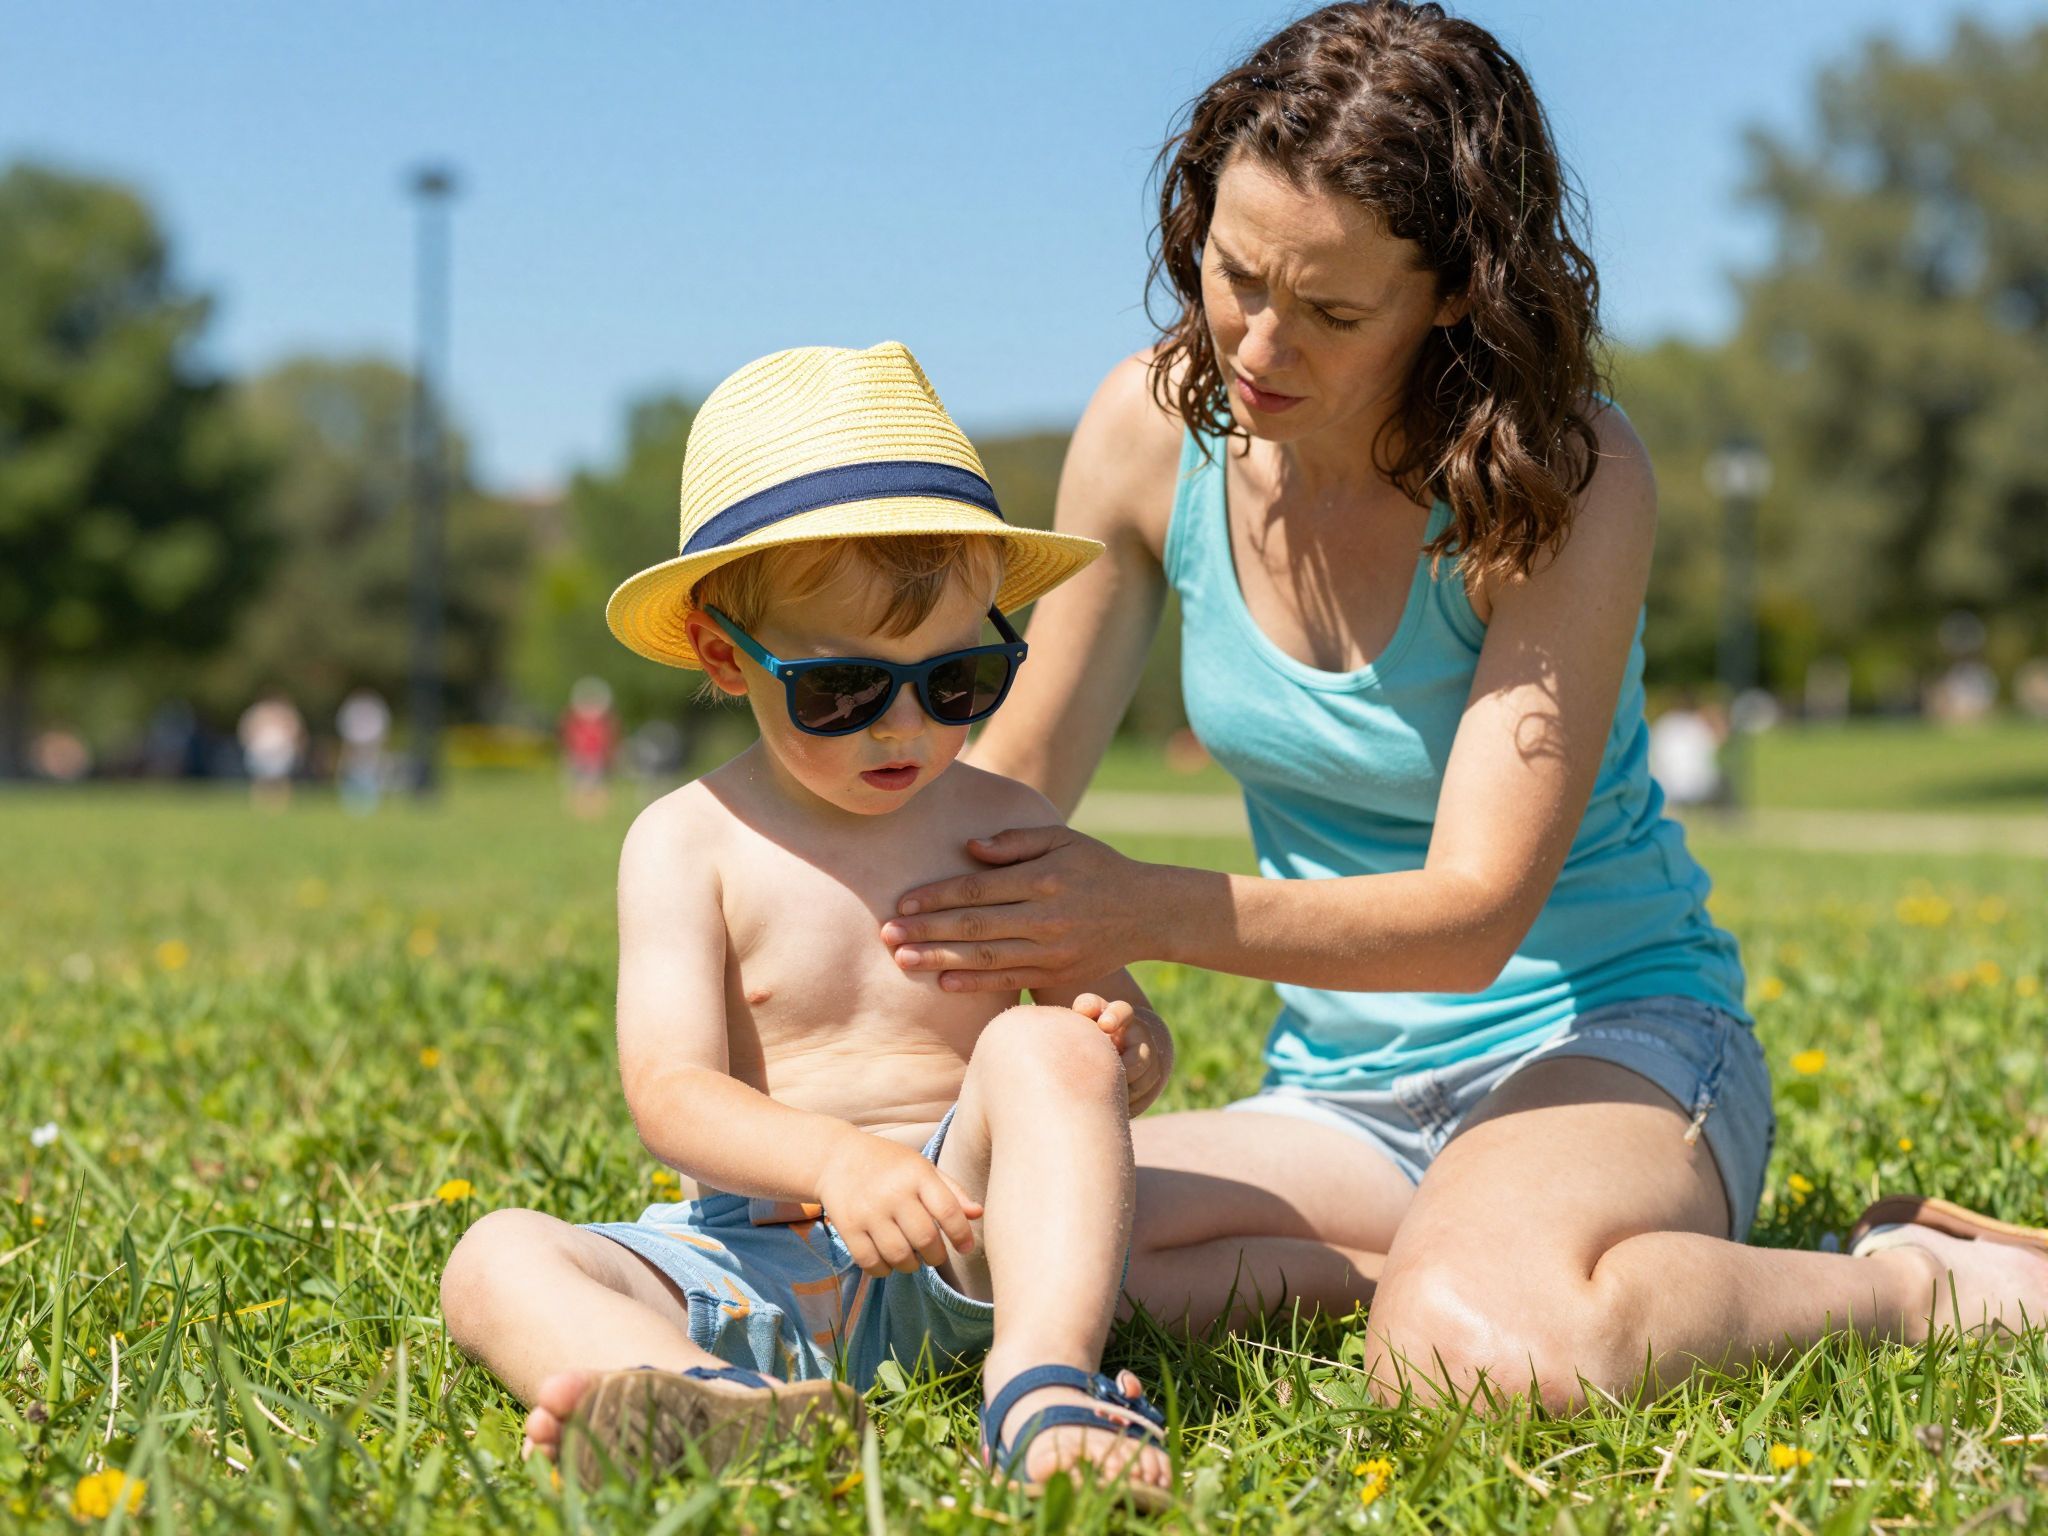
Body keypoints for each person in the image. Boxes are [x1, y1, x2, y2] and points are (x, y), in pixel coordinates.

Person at [872, 1, 2048, 1408]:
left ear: (1452, 297)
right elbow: (1014, 782)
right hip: (1342, 1104)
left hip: (1607, 1041)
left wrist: (1139, 912)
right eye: (1233, 272)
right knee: (991, 1248)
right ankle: (1435, 1265)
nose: (1255, 343)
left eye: (1331, 310)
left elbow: (1478, 912)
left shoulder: (1564, 476)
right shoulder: (1145, 432)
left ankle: (1918, 1288)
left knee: (1484, 1355)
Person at [439, 343, 1177, 1505]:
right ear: (727, 661)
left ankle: (1040, 1380)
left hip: (970, 1241)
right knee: (493, 1259)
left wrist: (1120, 1045)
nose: (904, 730)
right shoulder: (689, 840)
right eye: (842, 691)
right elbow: (670, 1092)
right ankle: (705, 1398)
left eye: (957, 683)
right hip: (750, 1253)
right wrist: (836, 1161)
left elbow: (1120, 1030)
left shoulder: (1002, 821)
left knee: (1040, 1048)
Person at [559, 676, 619, 819]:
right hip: (579, 757)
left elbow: (609, 739)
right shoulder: (574, 721)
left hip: (596, 757)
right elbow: (568, 737)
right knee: (579, 785)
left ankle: (596, 813)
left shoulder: (605, 722)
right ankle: (580, 812)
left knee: (597, 785)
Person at [237, 691, 305, 810]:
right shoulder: (256, 713)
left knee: (281, 778)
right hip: (260, 749)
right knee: (260, 777)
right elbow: (246, 730)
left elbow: (295, 730)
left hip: (281, 750)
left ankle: (281, 805)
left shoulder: (286, 713)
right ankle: (260, 804)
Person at [335, 687, 391, 815]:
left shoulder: (375, 708)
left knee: (370, 774)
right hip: (355, 746)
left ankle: (369, 804)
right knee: (352, 773)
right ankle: (352, 803)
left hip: (371, 747)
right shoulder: (353, 708)